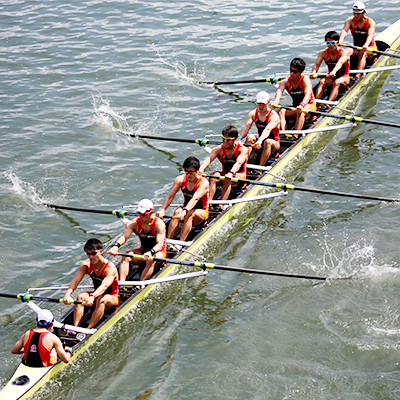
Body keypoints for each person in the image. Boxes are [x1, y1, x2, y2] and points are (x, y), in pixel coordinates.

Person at [63, 238, 119, 329]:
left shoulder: (110, 268)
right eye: (88, 254)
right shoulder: (86, 265)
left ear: (101, 251)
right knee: (80, 297)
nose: (91, 257)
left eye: (93, 253)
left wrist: (92, 296)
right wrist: (67, 294)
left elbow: (104, 286)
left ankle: (88, 330)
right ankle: (75, 328)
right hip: (95, 295)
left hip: (112, 298)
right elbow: (75, 281)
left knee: (101, 300)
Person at [108, 199, 167, 282]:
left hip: (158, 253)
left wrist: (151, 252)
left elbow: (160, 244)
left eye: (143, 214)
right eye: (139, 213)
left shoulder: (158, 224)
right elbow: (124, 236)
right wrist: (115, 246)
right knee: (126, 256)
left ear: (150, 212)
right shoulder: (134, 223)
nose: (141, 216)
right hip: (142, 252)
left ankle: (140, 285)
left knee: (150, 260)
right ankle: (122, 284)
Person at [157, 157, 209, 241]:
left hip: (201, 214)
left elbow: (195, 199)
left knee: (189, 214)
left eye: (191, 172)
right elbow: (170, 196)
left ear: (197, 171)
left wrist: (185, 210)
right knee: (177, 212)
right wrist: (162, 209)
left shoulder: (203, 183)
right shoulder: (180, 180)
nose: (188, 175)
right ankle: (168, 242)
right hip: (187, 209)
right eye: (186, 172)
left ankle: (180, 244)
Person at [199, 125, 248, 201]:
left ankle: (221, 205)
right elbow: (208, 159)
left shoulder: (242, 149)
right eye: (223, 139)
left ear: (234, 139)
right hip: (225, 174)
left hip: (239, 175)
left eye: (228, 140)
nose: (225, 142)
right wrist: (201, 169)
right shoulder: (218, 149)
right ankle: (209, 203)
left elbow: (238, 163)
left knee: (229, 179)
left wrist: (231, 172)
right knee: (213, 176)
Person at [271, 58, 317, 130]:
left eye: (294, 72)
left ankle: (295, 135)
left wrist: (302, 105)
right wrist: (276, 102)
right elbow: (279, 92)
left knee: (300, 111)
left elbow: (307, 95)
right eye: (291, 70)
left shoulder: (305, 80)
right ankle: (284, 133)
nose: (291, 73)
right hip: (296, 107)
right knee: (281, 111)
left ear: (300, 72)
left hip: (309, 106)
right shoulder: (285, 82)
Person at [239, 91, 280, 165]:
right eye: (259, 104)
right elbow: (246, 128)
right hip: (260, 143)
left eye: (263, 104)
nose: (261, 106)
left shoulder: (274, 116)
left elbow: (267, 129)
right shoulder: (253, 113)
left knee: (268, 142)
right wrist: (239, 139)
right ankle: (244, 165)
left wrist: (260, 140)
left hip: (274, 144)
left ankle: (260, 169)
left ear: (268, 102)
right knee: (250, 137)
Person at [338, 1, 377, 78]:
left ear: (364, 12)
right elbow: (345, 30)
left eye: (358, 13)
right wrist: (341, 40)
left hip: (370, 49)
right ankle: (342, 72)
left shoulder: (370, 22)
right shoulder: (350, 21)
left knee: (363, 52)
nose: (356, 15)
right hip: (357, 48)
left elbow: (370, 35)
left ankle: (357, 76)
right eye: (354, 13)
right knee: (346, 51)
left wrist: (365, 45)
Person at [310, 31, 351, 101]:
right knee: (322, 81)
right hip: (331, 77)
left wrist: (334, 71)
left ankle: (329, 104)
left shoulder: (344, 53)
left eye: (332, 43)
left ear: (338, 43)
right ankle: (317, 102)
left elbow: (340, 63)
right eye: (328, 43)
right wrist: (314, 72)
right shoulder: (323, 53)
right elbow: (317, 64)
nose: (330, 45)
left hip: (344, 77)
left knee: (337, 82)